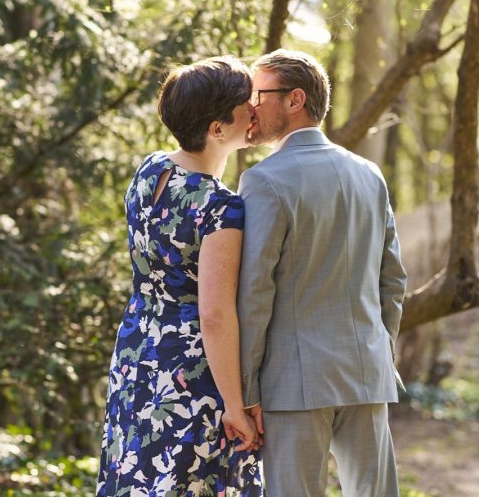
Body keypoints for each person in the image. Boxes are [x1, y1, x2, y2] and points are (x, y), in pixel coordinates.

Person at [237, 49, 408, 497]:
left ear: (294, 100)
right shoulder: (369, 175)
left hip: (293, 384)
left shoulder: (264, 180)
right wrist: (379, 352)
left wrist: (247, 389)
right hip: (367, 374)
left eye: (258, 93)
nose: (249, 105)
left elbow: (255, 291)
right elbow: (393, 280)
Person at [97, 56, 263, 496]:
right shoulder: (220, 208)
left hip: (137, 352)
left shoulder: (150, 171)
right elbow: (214, 314)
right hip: (189, 372)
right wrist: (234, 405)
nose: (257, 110)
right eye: (248, 103)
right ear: (217, 128)